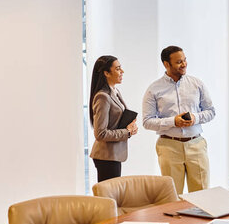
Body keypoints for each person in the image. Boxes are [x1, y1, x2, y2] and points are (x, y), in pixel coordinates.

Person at [142, 46, 215, 194]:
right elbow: (147, 121)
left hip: (196, 144)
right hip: (169, 147)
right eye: (179, 62)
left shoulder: (197, 84)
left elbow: (211, 111)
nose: (184, 64)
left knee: (202, 194)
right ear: (166, 64)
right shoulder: (153, 89)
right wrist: (173, 121)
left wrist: (195, 118)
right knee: (174, 197)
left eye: (185, 60)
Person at [89, 55, 138, 181]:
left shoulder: (114, 92)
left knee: (112, 195)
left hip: (113, 155)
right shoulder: (103, 97)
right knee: (108, 197)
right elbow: (100, 133)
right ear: (106, 73)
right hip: (106, 157)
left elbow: (115, 122)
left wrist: (130, 128)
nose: (122, 71)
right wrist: (126, 132)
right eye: (118, 68)